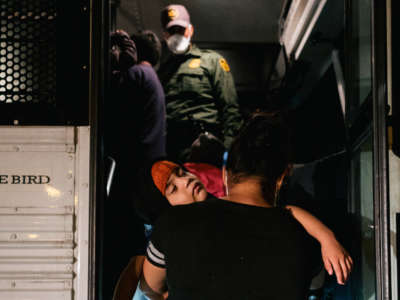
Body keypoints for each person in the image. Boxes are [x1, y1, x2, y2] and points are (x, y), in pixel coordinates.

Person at [139, 112, 353, 300]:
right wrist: (326, 237)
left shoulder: (171, 226)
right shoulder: (302, 241)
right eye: (172, 189)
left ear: (224, 173)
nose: (185, 181)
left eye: (182, 173)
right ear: (282, 177)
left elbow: (150, 287)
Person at [104, 29, 167, 300]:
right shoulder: (152, 78)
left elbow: (111, 105)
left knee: (125, 249)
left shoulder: (137, 75)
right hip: (145, 174)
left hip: (131, 175)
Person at [158, 4, 243, 164]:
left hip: (208, 148)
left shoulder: (212, 61)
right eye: (172, 31)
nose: (176, 35)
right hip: (174, 152)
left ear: (190, 30)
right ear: (165, 35)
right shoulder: (163, 72)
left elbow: (230, 109)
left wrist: (228, 151)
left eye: (180, 30)